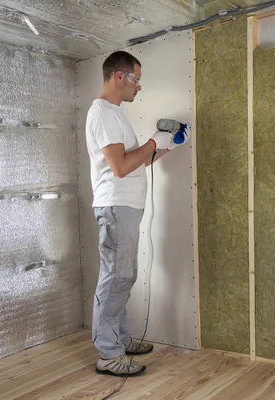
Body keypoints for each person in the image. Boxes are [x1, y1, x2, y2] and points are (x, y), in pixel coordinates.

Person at [85, 50, 189, 376]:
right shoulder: (102, 114)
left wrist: (163, 147)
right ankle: (108, 353)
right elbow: (119, 168)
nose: (138, 87)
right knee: (115, 278)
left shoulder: (114, 114)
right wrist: (152, 141)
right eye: (135, 79)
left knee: (123, 276)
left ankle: (121, 338)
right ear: (119, 76)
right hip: (116, 207)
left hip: (125, 207)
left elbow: (134, 163)